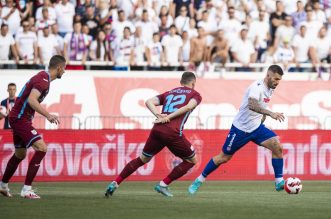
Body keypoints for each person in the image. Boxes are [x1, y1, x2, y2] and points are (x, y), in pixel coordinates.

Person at [188, 65, 286, 194]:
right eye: (275, 79)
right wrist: (270, 114)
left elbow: (262, 105)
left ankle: (279, 181)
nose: (277, 82)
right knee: (223, 158)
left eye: (279, 80)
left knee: (277, 147)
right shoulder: (256, 87)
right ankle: (199, 180)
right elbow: (252, 105)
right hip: (240, 129)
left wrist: (262, 119)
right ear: (268, 75)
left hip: (256, 128)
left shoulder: (270, 88)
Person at [105, 71, 202, 197]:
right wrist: (168, 117)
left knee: (142, 159)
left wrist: (158, 115)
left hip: (157, 129)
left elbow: (148, 101)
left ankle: (115, 183)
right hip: (172, 132)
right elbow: (189, 107)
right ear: (193, 83)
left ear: (181, 82)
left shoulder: (170, 93)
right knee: (191, 160)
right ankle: (163, 185)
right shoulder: (195, 95)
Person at [0, 55, 66, 199]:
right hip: (20, 119)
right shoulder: (43, 80)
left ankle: (3, 185)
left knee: (20, 154)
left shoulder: (43, 78)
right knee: (42, 148)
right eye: (64, 68)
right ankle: (26, 190)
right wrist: (48, 115)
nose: (64, 72)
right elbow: (31, 100)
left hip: (19, 118)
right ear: (59, 68)